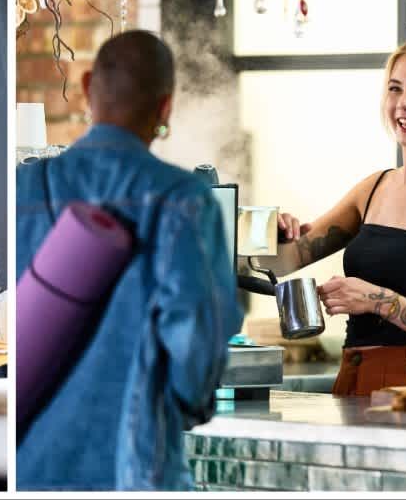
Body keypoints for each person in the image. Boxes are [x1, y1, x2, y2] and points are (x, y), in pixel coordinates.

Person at [15, 30, 242, 491]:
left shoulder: (25, 188)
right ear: (165, 108)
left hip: (28, 468)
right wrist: (185, 405)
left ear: (85, 88)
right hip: (135, 468)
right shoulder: (185, 201)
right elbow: (197, 349)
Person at [260, 36, 406, 397]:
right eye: (395, 89)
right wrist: (268, 232)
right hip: (353, 379)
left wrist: (377, 300)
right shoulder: (375, 188)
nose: (404, 104)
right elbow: (280, 262)